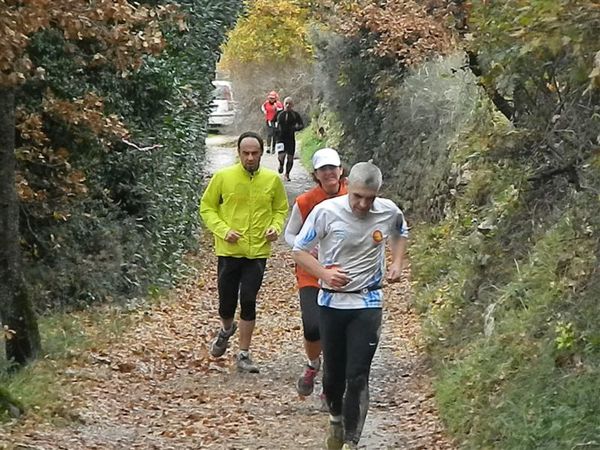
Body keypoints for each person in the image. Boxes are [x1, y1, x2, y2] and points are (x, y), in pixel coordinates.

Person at [292, 161, 409, 450]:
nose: (363, 204)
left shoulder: (388, 210)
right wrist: (325, 274)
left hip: (368, 301)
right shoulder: (326, 212)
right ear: (349, 187)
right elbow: (299, 251)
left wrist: (396, 262)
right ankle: (335, 418)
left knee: (357, 373)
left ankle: (351, 442)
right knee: (333, 375)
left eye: (370, 198)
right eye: (357, 196)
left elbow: (400, 231)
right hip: (332, 303)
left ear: (378, 194)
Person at [200, 131, 289, 373]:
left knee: (248, 299)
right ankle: (226, 329)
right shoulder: (223, 177)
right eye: (245, 153)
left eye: (254, 153)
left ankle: (243, 353)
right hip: (229, 250)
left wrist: (275, 227)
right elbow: (207, 208)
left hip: (258, 251)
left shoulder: (272, 180)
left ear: (261, 153)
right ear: (238, 153)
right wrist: (223, 230)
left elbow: (281, 208)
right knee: (226, 304)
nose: (250, 158)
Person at [284, 148, 347, 398]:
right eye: (324, 169)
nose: (329, 173)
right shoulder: (306, 201)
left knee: (337, 328)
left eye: (333, 168)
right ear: (316, 174)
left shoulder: (354, 196)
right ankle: (313, 364)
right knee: (312, 327)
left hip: (343, 272)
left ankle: (331, 382)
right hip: (310, 272)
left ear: (341, 170)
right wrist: (305, 249)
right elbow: (290, 234)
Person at [276, 97, 304, 181]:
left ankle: (287, 174)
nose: (288, 105)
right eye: (286, 103)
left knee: (290, 158)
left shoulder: (295, 115)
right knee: (281, 156)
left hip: (290, 138)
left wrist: (296, 128)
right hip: (280, 139)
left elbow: (301, 125)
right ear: (283, 104)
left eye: (290, 104)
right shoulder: (279, 114)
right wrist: (274, 131)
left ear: (292, 105)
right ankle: (281, 164)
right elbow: (271, 122)